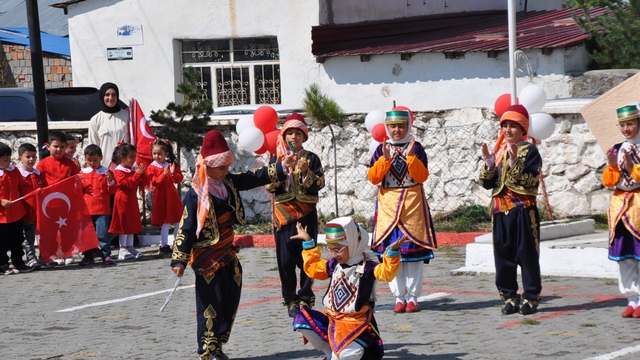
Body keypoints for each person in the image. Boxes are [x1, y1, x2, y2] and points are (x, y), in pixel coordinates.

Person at [170, 130, 296, 360]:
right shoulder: (196, 194)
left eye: (227, 167)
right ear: (206, 166)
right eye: (221, 168)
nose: (226, 172)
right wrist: (179, 259)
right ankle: (207, 350)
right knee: (211, 302)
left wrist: (280, 166)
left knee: (230, 297)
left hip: (228, 251)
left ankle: (218, 344)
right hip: (207, 258)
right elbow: (185, 227)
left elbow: (253, 177)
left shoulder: (228, 181)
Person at [290, 217, 405, 360]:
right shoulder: (334, 265)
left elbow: (387, 273)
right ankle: (328, 352)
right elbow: (313, 269)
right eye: (331, 250)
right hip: (333, 319)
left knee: (347, 355)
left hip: (356, 322)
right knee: (301, 319)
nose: (333, 254)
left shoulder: (367, 267)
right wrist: (308, 242)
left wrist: (392, 252)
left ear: (353, 243)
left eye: (338, 250)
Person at [368, 109, 437, 313]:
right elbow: (373, 178)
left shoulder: (417, 148)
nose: (397, 130)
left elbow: (422, 176)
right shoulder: (381, 149)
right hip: (389, 205)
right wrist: (385, 160)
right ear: (387, 127)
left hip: (412, 205)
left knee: (413, 254)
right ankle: (398, 297)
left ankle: (413, 297)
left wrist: (410, 158)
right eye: (393, 126)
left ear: (408, 126)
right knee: (393, 252)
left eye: (401, 126)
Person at [479, 104, 542, 316]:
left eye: (513, 125)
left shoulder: (530, 151)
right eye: (504, 125)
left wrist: (514, 161)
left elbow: (528, 182)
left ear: (523, 129)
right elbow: (488, 184)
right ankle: (510, 296)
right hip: (500, 211)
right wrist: (489, 165)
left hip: (523, 210)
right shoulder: (499, 152)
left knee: (527, 254)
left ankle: (531, 298)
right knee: (503, 255)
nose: (507, 130)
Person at [265, 113, 325, 317]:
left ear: (304, 136)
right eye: (289, 132)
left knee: (307, 256)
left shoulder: (312, 158)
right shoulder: (277, 158)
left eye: (298, 133)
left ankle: (306, 297)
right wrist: (284, 168)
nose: (293, 137)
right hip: (283, 217)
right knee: (285, 261)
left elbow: (319, 184)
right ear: (283, 136)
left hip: (306, 215)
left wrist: (307, 172)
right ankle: (290, 300)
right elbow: (269, 185)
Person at [602, 103, 640, 318]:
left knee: (639, 255)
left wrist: (632, 165)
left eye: (631, 124)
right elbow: (610, 181)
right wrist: (612, 164)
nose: (627, 129)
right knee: (625, 257)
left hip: (638, 206)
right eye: (623, 125)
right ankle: (631, 299)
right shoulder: (617, 148)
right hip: (620, 208)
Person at [36, 131, 81, 265]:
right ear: (48, 146)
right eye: (56, 146)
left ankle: (67, 252)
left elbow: (77, 181)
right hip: (49, 205)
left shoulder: (70, 164)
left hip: (66, 204)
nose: (59, 150)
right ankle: (52, 254)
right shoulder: (43, 164)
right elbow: (39, 183)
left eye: (62, 147)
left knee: (67, 230)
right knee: (51, 231)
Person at [79, 144, 118, 266]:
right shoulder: (82, 173)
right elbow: (79, 192)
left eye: (95, 160)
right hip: (86, 210)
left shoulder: (106, 172)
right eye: (89, 160)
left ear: (101, 158)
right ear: (85, 159)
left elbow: (112, 190)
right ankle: (88, 256)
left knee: (102, 234)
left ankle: (106, 255)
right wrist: (77, 183)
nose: (92, 163)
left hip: (102, 209)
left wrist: (110, 180)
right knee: (86, 234)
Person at [0, 142, 33, 275]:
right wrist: (1, 201)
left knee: (17, 239)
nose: (8, 162)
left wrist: (32, 191)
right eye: (5, 160)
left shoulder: (14, 170)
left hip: (16, 212)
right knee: (2, 241)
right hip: (2, 216)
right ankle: (2, 263)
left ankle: (18, 262)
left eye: (9, 158)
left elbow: (22, 186)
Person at [109, 143, 146, 260]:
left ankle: (130, 246)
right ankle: (122, 248)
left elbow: (138, 182)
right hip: (122, 200)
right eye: (131, 157)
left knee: (131, 222)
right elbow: (125, 184)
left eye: (134, 156)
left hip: (131, 200)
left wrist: (141, 173)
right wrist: (136, 175)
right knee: (123, 223)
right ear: (122, 158)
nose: (133, 159)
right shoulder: (119, 171)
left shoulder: (131, 170)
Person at [146, 139, 183, 255]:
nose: (156, 156)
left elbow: (178, 179)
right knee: (165, 221)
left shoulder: (171, 164)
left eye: (159, 154)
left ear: (166, 154)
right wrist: (164, 174)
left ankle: (178, 243)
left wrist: (172, 173)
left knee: (178, 219)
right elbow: (155, 182)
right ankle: (164, 245)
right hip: (160, 195)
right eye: (154, 154)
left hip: (171, 195)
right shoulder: (151, 167)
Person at [17, 143, 46, 270]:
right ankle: (31, 258)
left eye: (34, 157)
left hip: (39, 212)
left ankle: (44, 257)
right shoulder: (18, 175)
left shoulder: (39, 174)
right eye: (28, 157)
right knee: (28, 238)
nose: (31, 160)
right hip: (26, 213)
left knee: (43, 236)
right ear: (20, 158)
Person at [89, 82, 130, 168]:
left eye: (114, 95)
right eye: (107, 95)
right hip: (105, 168)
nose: (110, 98)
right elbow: (93, 147)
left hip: (126, 168)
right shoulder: (96, 120)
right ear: (102, 97)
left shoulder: (127, 116)